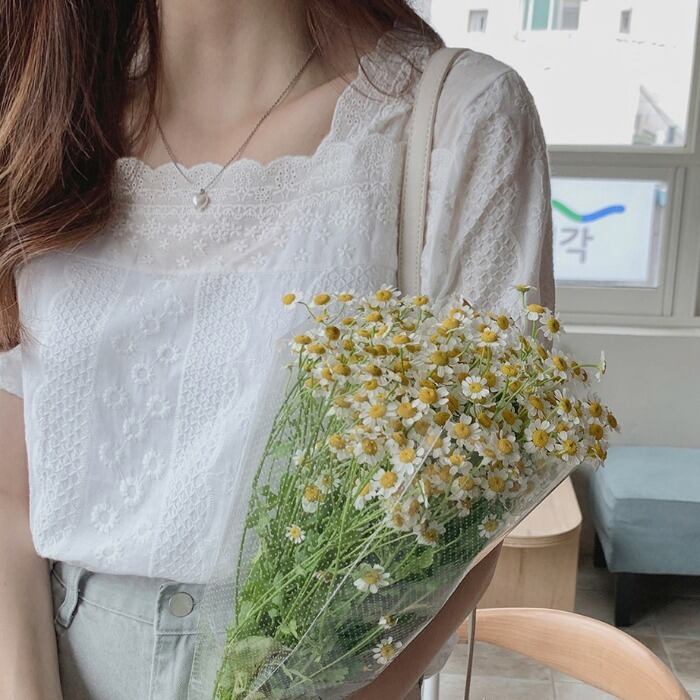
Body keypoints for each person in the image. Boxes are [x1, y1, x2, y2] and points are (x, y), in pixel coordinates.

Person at [0, 1, 554, 698]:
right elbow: (10, 499)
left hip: (322, 679)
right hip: (49, 658)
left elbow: (477, 503)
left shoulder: (453, 118)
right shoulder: (43, 125)